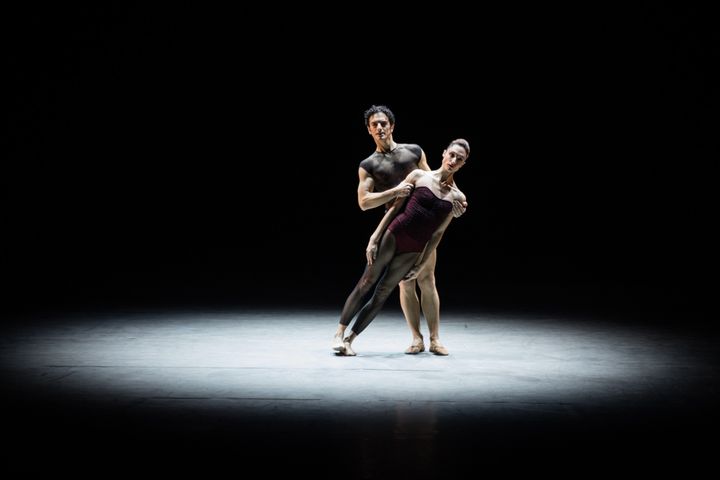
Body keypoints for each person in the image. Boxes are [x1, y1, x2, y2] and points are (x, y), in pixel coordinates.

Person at [332, 138, 470, 356]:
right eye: (451, 155)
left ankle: (349, 340)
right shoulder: (418, 176)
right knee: (367, 281)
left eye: (459, 159)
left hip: (414, 248)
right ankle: (338, 334)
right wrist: (374, 237)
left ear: (464, 164)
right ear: (444, 153)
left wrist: (422, 261)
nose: (453, 160)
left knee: (383, 292)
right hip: (394, 234)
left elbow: (437, 233)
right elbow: (395, 208)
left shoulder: (457, 198)